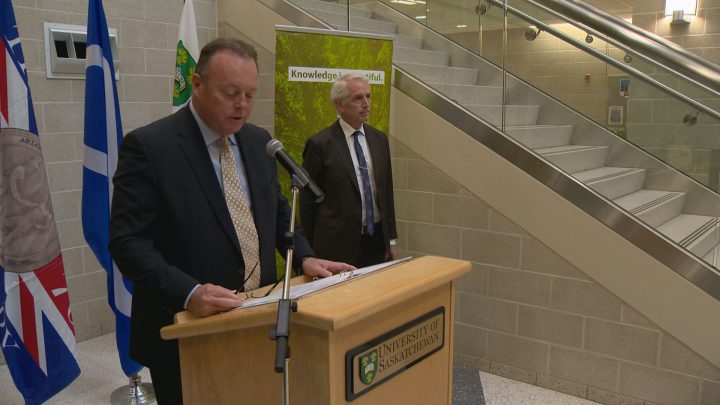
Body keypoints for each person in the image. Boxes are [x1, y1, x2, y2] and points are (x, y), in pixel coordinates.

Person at [109, 38, 353, 405]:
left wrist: (303, 256)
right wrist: (189, 292)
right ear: (197, 84)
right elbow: (127, 242)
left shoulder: (258, 141)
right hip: (185, 329)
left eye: (250, 95)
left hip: (257, 318)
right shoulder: (150, 147)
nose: (242, 105)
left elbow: (278, 211)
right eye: (231, 93)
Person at [300, 73, 398, 268]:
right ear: (339, 104)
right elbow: (307, 202)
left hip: (376, 242)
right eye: (358, 98)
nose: (366, 104)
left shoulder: (379, 139)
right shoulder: (320, 144)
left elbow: (386, 193)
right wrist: (309, 251)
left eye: (368, 96)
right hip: (336, 245)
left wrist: (391, 239)